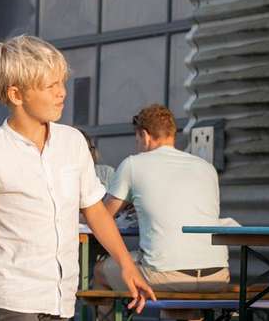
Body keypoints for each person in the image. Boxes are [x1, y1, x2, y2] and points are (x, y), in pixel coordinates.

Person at [0, 35, 155, 321]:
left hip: (62, 298)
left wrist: (127, 264)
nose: (62, 93)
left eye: (62, 83)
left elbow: (94, 209)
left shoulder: (74, 142)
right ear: (16, 95)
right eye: (51, 85)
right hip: (14, 299)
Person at [95, 104, 230, 295]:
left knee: (100, 272)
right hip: (217, 275)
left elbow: (102, 216)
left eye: (137, 139)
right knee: (178, 295)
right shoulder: (206, 168)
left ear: (145, 135)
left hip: (165, 277)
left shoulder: (133, 164)